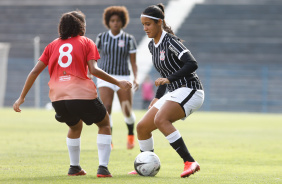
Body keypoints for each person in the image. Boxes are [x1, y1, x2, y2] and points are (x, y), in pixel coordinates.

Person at [13, 10, 132, 177]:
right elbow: (93, 69)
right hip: (81, 93)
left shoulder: (52, 45)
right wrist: (118, 82)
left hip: (58, 97)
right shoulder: (86, 42)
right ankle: (103, 168)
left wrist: (21, 97)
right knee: (104, 123)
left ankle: (74, 167)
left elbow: (34, 72)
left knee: (75, 126)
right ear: (80, 25)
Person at [128, 4, 205, 178]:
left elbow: (192, 63)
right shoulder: (151, 46)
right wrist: (157, 98)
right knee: (142, 127)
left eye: (148, 24)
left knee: (161, 119)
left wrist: (169, 79)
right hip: (174, 91)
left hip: (190, 89)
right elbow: (164, 74)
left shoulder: (170, 41)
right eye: (143, 24)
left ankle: (190, 161)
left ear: (159, 23)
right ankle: (145, 163)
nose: (145, 28)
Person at [95, 6, 139, 149]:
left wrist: (135, 78)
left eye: (118, 21)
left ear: (123, 22)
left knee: (126, 109)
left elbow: (133, 62)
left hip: (123, 77)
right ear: (108, 22)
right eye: (112, 20)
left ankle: (131, 134)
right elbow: (94, 58)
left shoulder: (129, 39)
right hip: (105, 77)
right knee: (106, 108)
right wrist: (91, 71)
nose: (115, 23)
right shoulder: (102, 38)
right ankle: (109, 140)